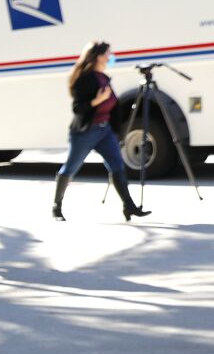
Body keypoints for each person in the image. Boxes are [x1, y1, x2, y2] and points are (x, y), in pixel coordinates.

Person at [53, 40, 151, 222]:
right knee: (71, 168)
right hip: (85, 132)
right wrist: (97, 101)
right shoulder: (84, 78)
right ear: (98, 56)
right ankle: (56, 207)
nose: (110, 57)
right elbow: (77, 108)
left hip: (105, 132)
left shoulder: (104, 78)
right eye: (108, 54)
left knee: (117, 166)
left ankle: (129, 207)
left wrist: (116, 131)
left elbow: (113, 106)